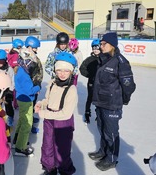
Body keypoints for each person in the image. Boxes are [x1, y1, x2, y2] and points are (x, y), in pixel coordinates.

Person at [88, 32, 136, 171]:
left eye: (104, 44)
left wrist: (123, 99)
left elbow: (129, 86)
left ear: (112, 45)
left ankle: (112, 159)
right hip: (101, 102)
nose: (101, 46)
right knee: (102, 130)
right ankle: (103, 152)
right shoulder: (103, 59)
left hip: (112, 104)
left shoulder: (121, 62)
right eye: (101, 44)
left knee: (111, 133)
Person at [35, 52, 78, 175]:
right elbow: (48, 100)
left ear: (71, 72)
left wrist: (43, 114)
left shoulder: (71, 89)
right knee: (47, 145)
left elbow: (66, 114)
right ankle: (50, 168)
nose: (62, 74)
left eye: (66, 71)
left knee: (62, 150)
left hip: (63, 123)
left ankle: (64, 170)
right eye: (59, 70)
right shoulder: (53, 83)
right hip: (49, 120)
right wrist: (41, 104)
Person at [13, 49, 41, 156]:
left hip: (22, 98)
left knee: (22, 119)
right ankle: (21, 147)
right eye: (31, 63)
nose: (32, 66)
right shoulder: (24, 74)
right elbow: (29, 90)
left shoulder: (21, 70)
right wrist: (37, 86)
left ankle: (17, 140)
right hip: (26, 100)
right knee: (27, 123)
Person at [24, 36, 43, 134]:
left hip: (35, 85)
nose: (36, 50)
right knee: (29, 106)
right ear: (30, 47)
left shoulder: (34, 57)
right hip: (30, 87)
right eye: (35, 48)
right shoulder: (27, 58)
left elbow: (38, 72)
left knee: (32, 104)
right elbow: (30, 74)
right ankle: (29, 125)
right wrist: (35, 86)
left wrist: (38, 85)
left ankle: (31, 119)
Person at [79, 39, 101, 124]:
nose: (95, 50)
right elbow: (82, 68)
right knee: (90, 98)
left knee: (99, 98)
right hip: (92, 82)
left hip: (101, 83)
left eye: (97, 48)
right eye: (94, 48)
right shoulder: (89, 59)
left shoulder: (104, 59)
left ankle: (99, 114)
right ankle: (87, 113)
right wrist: (89, 75)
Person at [0, 49, 15, 128]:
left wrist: (10, 91)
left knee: (8, 105)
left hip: (8, 90)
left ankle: (10, 117)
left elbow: (12, 81)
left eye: (1, 61)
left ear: (5, 60)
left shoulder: (9, 69)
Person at [7, 38, 24, 110]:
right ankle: (15, 103)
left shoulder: (12, 53)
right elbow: (14, 64)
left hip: (12, 72)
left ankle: (15, 102)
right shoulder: (15, 54)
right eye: (20, 47)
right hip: (15, 72)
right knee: (15, 88)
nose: (21, 48)